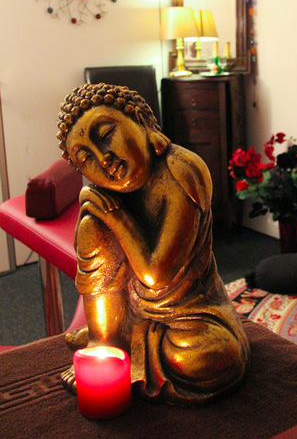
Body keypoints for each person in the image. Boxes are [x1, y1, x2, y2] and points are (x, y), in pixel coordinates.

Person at [57, 83, 249, 405]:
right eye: (85, 158)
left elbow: (156, 275)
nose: (103, 159)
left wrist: (118, 218)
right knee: (92, 225)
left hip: (192, 315)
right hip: (132, 307)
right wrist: (102, 216)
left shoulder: (181, 169)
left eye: (107, 135)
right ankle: (103, 341)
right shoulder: (107, 196)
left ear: (141, 120)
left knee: (213, 359)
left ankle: (126, 341)